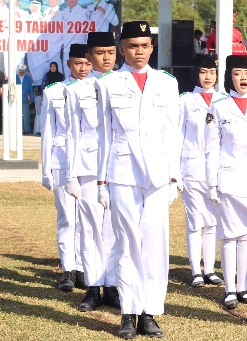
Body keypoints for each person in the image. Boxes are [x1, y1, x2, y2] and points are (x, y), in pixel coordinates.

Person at [96, 21, 180, 339]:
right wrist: (102, 181)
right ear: (122, 49)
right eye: (133, 46)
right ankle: (128, 314)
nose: (139, 51)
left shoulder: (166, 83)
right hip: (121, 172)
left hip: (158, 174)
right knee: (127, 242)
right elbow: (104, 134)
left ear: (151, 47)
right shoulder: (108, 84)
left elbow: (173, 133)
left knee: (155, 244)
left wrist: (175, 178)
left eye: (145, 45)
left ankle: (149, 312)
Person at [63, 35, 120, 312]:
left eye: (110, 52)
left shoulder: (125, 84)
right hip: (87, 168)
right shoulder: (76, 91)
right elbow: (72, 134)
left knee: (113, 231)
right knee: (89, 230)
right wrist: (70, 174)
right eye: (100, 53)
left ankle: (112, 285)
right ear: (90, 55)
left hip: (118, 168)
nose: (106, 58)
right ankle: (93, 288)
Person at [204, 54, 247, 309]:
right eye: (238, 73)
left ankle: (243, 287)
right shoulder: (218, 107)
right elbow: (210, 148)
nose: (243, 78)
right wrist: (211, 183)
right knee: (230, 236)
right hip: (228, 177)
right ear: (230, 76)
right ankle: (229, 289)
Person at [41, 45, 86, 293]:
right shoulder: (54, 92)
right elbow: (47, 132)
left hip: (86, 163)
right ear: (68, 64)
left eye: (87, 64)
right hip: (60, 160)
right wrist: (45, 169)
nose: (83, 68)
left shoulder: (96, 90)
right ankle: (68, 269)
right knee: (67, 218)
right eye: (78, 63)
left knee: (85, 219)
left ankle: (82, 268)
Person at [178, 53, 225, 288]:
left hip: (216, 170)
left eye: (213, 72)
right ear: (196, 73)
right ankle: (196, 270)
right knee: (195, 220)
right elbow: (177, 135)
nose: (208, 77)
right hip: (192, 167)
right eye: (204, 72)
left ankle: (210, 269)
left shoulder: (223, 100)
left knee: (213, 221)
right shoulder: (185, 101)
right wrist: (175, 172)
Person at [60, 0, 88, 79]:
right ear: (66, 0)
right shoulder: (63, 12)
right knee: (67, 67)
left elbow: (87, 30)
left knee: (80, 69)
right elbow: (60, 30)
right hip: (66, 45)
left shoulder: (84, 12)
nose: (71, 0)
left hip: (80, 44)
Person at [42, 0, 63, 76]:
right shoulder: (45, 11)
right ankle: (47, 80)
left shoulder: (61, 12)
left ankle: (59, 79)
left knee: (56, 61)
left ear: (58, 0)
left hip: (56, 42)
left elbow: (63, 27)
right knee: (46, 62)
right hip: (45, 40)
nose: (52, 1)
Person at [16, 64, 34, 134]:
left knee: (26, 115)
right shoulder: (15, 77)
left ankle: (26, 130)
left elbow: (30, 90)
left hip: (25, 99)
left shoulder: (28, 78)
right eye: (20, 71)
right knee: (18, 115)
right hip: (16, 99)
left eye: (23, 71)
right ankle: (18, 129)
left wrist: (31, 99)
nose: (21, 73)